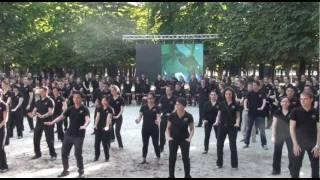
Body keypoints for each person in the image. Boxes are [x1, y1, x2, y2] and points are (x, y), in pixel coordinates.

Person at [45, 91, 90, 178]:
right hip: (68, 135)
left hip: (79, 136)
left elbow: (87, 119)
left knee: (78, 154)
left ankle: (81, 172)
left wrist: (85, 125)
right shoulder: (70, 108)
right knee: (64, 153)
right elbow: (61, 116)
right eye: (74, 97)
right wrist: (52, 122)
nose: (76, 99)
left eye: (78, 97)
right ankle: (66, 170)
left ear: (81, 99)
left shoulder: (84, 109)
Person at [289, 91, 319, 178]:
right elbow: (291, 128)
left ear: (311, 99)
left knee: (315, 167)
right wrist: (295, 144)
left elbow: (319, 129)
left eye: (305, 99)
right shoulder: (295, 111)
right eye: (301, 99)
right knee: (295, 167)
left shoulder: (316, 112)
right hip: (299, 143)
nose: (302, 101)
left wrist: (318, 145)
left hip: (313, 144)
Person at [167, 98, 194, 178]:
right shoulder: (172, 115)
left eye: (178, 104)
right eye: (176, 104)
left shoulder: (189, 116)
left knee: (185, 158)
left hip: (184, 139)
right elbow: (168, 127)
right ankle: (171, 175)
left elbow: (192, 128)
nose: (176, 105)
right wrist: (168, 137)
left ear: (183, 106)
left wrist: (189, 138)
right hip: (173, 139)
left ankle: (187, 175)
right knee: (172, 158)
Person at [214, 88, 240, 168]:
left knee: (232, 145)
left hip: (232, 127)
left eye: (230, 94)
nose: (228, 95)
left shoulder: (236, 104)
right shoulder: (221, 104)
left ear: (232, 95)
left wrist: (237, 123)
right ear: (224, 95)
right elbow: (218, 114)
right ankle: (219, 163)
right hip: (222, 126)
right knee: (219, 145)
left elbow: (238, 116)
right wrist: (216, 121)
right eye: (226, 94)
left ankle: (234, 164)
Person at [30, 86, 57, 160]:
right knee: (36, 138)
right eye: (40, 91)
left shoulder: (50, 101)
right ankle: (37, 154)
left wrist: (42, 116)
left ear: (46, 92)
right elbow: (34, 110)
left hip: (47, 122)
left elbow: (50, 112)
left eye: (42, 91)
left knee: (49, 139)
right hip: (39, 123)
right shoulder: (38, 102)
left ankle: (53, 154)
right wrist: (32, 114)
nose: (41, 93)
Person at [135, 93, 161, 164]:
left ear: (154, 99)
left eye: (151, 98)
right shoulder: (143, 107)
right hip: (145, 128)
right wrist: (138, 120)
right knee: (145, 144)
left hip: (154, 129)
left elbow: (158, 117)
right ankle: (144, 158)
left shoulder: (157, 107)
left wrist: (158, 121)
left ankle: (158, 156)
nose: (149, 100)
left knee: (155, 143)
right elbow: (140, 117)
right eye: (148, 98)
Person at [271, 97, 293, 175]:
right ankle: (276, 170)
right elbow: (274, 125)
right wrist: (273, 136)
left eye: (286, 102)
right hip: (279, 134)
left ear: (289, 103)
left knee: (292, 153)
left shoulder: (292, 112)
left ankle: (292, 169)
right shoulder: (277, 112)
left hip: (290, 135)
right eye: (283, 101)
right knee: (277, 152)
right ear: (280, 103)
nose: (285, 103)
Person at [244, 81, 268, 150]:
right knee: (249, 129)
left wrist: (262, 107)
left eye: (255, 85)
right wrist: (245, 107)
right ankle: (246, 143)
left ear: (258, 86)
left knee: (262, 130)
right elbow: (245, 100)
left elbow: (264, 101)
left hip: (260, 114)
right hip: (251, 113)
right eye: (253, 85)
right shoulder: (249, 93)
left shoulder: (262, 93)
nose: (254, 86)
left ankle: (264, 144)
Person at [94, 97, 113, 162]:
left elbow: (109, 118)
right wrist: (95, 125)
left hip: (106, 128)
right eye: (102, 101)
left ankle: (107, 157)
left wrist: (107, 126)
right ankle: (96, 156)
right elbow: (97, 117)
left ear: (107, 102)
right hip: (99, 127)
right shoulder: (99, 108)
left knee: (105, 143)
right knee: (96, 143)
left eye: (105, 101)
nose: (103, 102)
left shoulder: (110, 109)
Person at [159, 85, 176, 152]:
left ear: (172, 91)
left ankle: (172, 146)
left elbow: (175, 108)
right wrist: (160, 112)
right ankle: (161, 146)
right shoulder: (162, 98)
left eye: (168, 90)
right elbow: (159, 106)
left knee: (171, 132)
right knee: (161, 132)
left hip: (171, 117)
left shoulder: (174, 98)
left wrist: (172, 113)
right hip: (163, 117)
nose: (166, 91)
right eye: (166, 90)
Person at [0, 95, 8, 173]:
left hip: (2, 129)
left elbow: (5, 118)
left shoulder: (3, 105)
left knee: (1, 147)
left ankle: (4, 166)